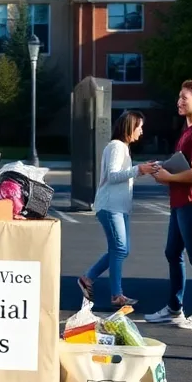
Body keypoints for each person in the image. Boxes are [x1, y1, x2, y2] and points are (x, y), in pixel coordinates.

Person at [146, 80, 192, 330]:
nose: (179, 101)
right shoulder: (188, 130)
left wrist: (168, 177)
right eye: (179, 97)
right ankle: (175, 309)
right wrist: (164, 167)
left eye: (184, 97)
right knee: (172, 252)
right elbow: (183, 163)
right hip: (180, 202)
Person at [78, 110, 154, 308]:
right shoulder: (116, 146)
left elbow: (120, 174)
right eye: (140, 127)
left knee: (120, 249)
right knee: (120, 248)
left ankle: (88, 278)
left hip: (119, 208)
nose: (142, 132)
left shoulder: (122, 148)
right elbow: (113, 175)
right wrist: (139, 170)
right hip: (111, 206)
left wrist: (140, 169)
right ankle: (116, 295)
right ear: (130, 127)